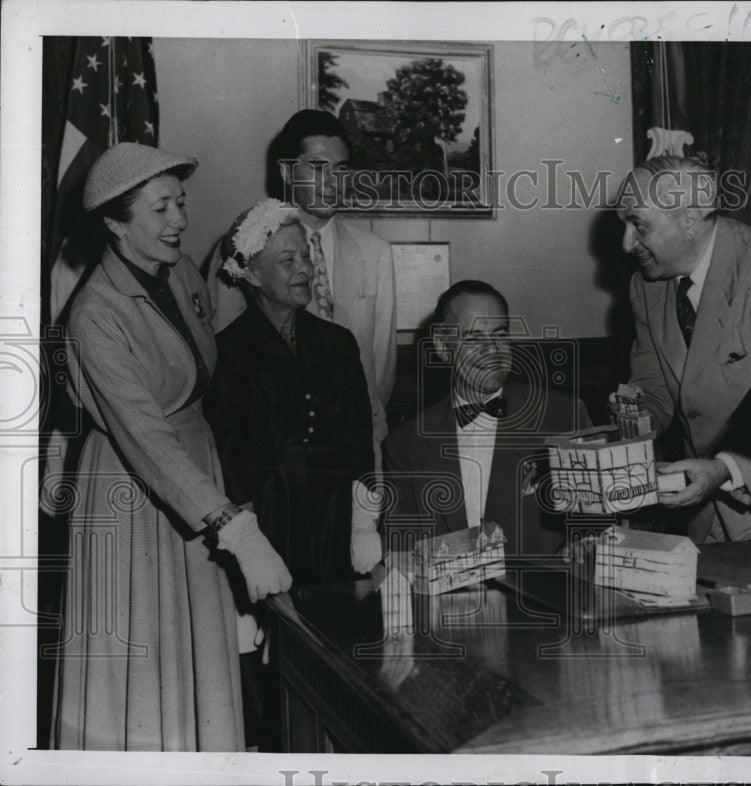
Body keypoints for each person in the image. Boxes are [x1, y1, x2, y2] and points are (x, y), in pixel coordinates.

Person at [52, 143, 291, 751]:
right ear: (114, 222)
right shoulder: (92, 314)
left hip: (194, 471)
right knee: (140, 669)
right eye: (160, 209)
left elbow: (203, 378)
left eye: (180, 204)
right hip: (131, 490)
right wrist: (236, 531)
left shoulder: (181, 273)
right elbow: (145, 433)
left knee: (200, 662)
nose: (180, 220)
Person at [616, 153, 751, 543]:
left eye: (639, 226)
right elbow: (653, 385)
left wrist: (719, 470)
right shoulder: (645, 285)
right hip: (699, 510)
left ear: (689, 219)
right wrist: (628, 429)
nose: (626, 243)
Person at [205, 199, 379, 589]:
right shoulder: (229, 352)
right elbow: (233, 459)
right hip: (270, 517)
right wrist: (249, 542)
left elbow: (358, 438)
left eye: (306, 255)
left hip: (337, 510)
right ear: (252, 274)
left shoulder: (337, 343)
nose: (305, 269)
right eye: (288, 260)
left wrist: (364, 520)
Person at [205, 110, 396, 465]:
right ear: (287, 172)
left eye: (340, 170)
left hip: (352, 455)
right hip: (269, 457)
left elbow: (380, 370)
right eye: (317, 167)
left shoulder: (376, 255)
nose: (331, 183)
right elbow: (222, 354)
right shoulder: (245, 245)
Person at [383, 281, 592, 559]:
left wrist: (585, 545)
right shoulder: (406, 444)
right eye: (473, 337)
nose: (491, 349)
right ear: (444, 347)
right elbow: (403, 548)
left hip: (544, 595)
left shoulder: (563, 415)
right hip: (450, 600)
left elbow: (598, 521)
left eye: (499, 334)